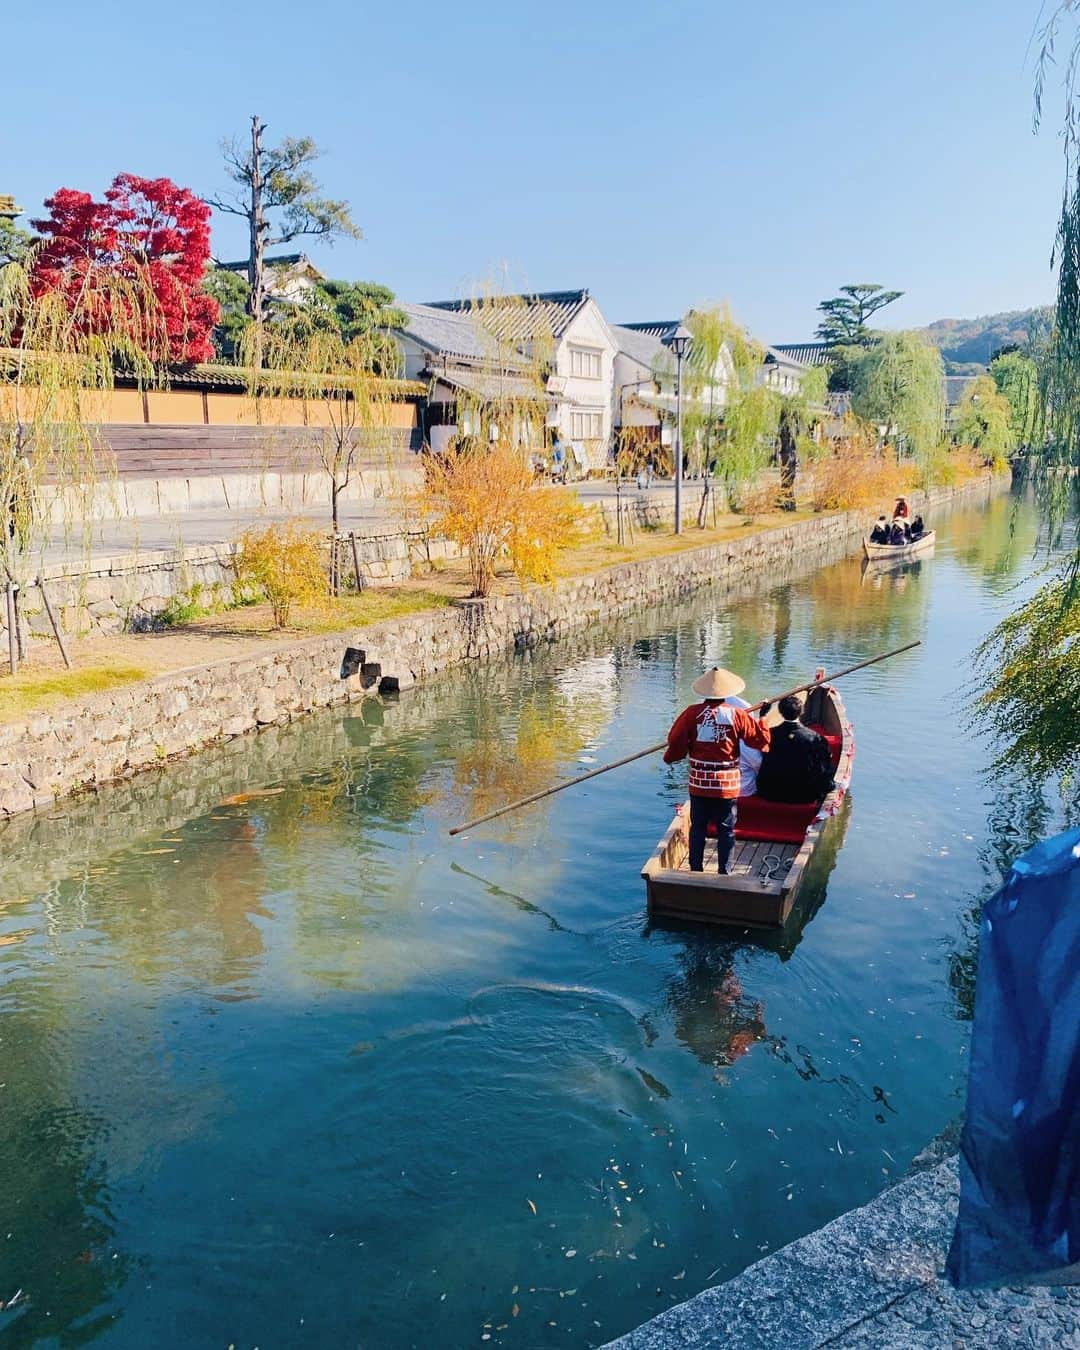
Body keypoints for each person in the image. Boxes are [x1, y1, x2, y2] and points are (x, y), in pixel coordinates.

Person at [664, 667, 771, 874]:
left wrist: (670, 757)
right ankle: (725, 870)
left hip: (699, 784)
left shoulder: (691, 714)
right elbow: (759, 740)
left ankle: (696, 868)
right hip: (726, 785)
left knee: (698, 828)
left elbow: (675, 742)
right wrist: (763, 719)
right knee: (726, 829)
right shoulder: (738, 715)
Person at [755, 695, 835, 804]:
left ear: (780, 712)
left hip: (769, 792)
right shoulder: (815, 738)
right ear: (802, 712)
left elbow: (758, 737)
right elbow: (824, 768)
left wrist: (763, 715)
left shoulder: (769, 734)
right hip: (804, 795)